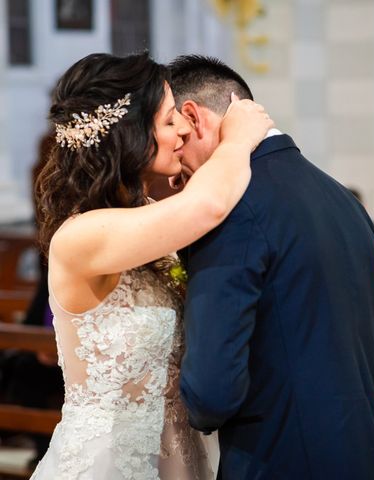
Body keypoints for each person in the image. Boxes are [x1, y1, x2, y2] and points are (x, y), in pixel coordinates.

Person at [30, 52, 273, 479]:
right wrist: (238, 139)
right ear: (130, 134)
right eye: (168, 120)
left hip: (182, 457)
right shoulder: (80, 237)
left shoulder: (149, 215)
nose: (182, 127)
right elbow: (210, 205)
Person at [169, 55, 374, 479]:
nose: (174, 162)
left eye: (174, 135)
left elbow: (211, 393)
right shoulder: (344, 201)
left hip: (280, 462)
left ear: (192, 117)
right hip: (371, 460)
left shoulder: (229, 210)